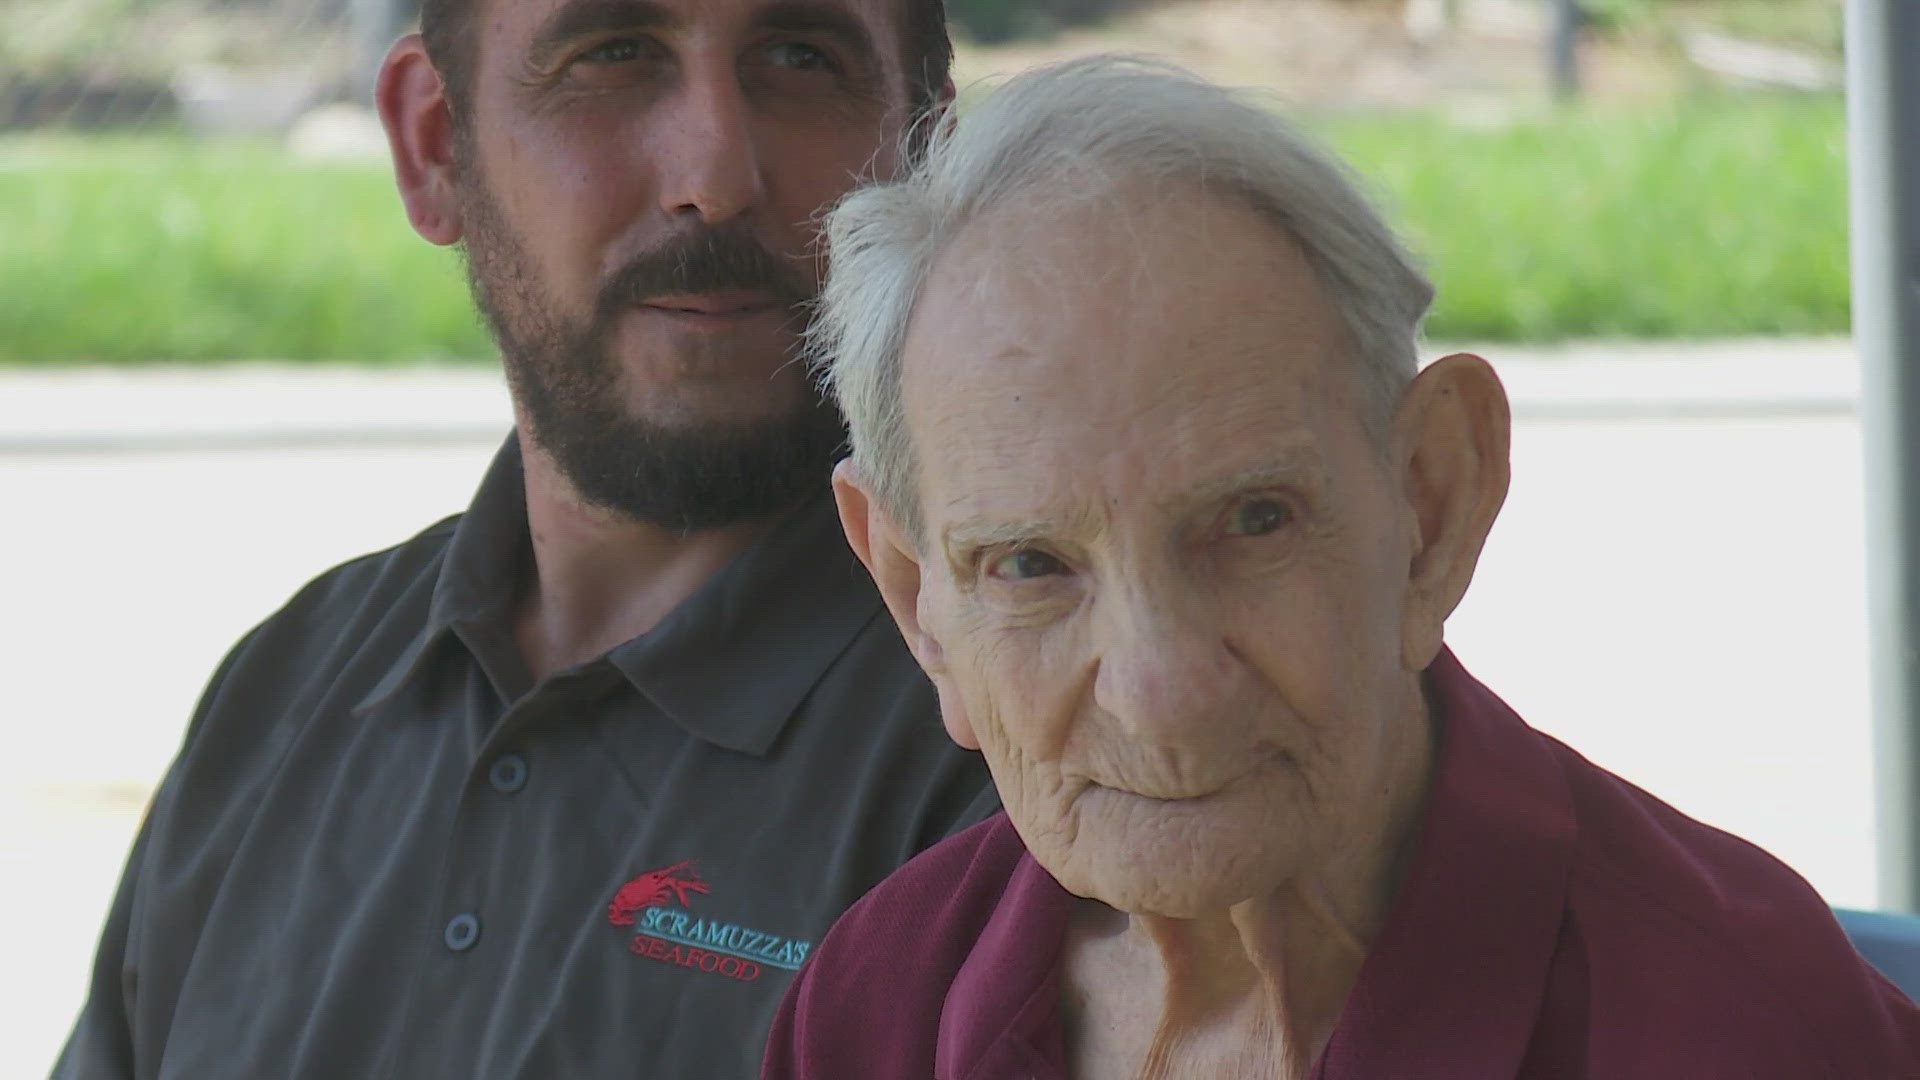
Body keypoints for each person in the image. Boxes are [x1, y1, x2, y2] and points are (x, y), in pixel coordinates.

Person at [762, 56, 1920, 1078]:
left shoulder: (1733, 1029)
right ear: (919, 599)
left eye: (1254, 520)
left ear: (1434, 502)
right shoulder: (878, 1009)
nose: (1162, 693)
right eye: (1030, 565)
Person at [53, 1, 996, 1077]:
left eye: (800, 57)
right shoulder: (286, 688)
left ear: (929, 162)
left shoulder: (1026, 734)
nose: (715, 174)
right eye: (614, 56)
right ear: (432, 147)